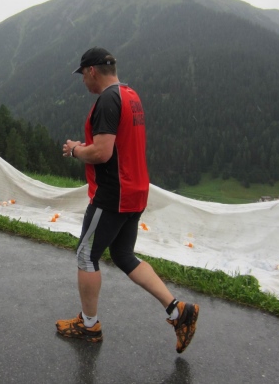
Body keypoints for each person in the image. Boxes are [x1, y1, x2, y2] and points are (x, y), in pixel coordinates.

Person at [55, 47, 199, 354]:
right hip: (135, 189)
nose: (83, 81)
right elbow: (117, 144)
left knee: (86, 256)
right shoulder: (130, 95)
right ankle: (178, 311)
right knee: (122, 255)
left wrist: (75, 150)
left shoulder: (107, 100)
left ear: (92, 70)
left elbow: (102, 152)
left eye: (83, 75)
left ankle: (89, 326)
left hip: (113, 194)